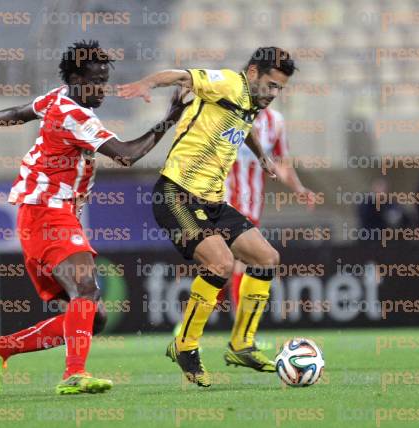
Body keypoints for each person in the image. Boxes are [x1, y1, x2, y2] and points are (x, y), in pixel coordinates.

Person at [0, 40, 189, 395]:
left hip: (47, 214)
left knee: (95, 316)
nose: (100, 89)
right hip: (47, 211)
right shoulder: (75, 115)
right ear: (75, 78)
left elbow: (24, 111)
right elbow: (126, 155)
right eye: (94, 82)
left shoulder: (58, 98)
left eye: (104, 82)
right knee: (86, 289)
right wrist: (169, 119)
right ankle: (74, 374)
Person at [118, 47, 296, 386]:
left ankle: (241, 344)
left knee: (266, 257)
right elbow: (181, 76)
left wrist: (263, 157)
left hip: (212, 202)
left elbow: (244, 126)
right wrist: (147, 83)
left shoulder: (249, 103)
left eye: (280, 90)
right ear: (254, 72)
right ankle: (185, 344)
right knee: (221, 264)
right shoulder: (228, 83)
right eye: (271, 86)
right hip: (177, 195)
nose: (273, 95)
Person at [220, 106, 315, 358]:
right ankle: (243, 338)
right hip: (225, 201)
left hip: (253, 206)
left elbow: (282, 163)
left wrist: (299, 188)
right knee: (241, 265)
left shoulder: (276, 120)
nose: (271, 92)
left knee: (223, 266)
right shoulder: (229, 112)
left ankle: (190, 323)